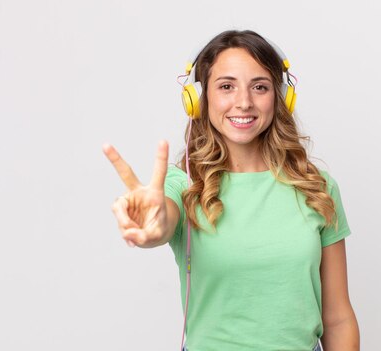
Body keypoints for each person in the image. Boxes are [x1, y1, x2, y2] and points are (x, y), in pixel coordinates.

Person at [102, 29, 360, 351]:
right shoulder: (184, 184)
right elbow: (162, 222)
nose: (244, 102)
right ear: (198, 99)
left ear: (280, 97)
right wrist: (151, 222)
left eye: (260, 87)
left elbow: (337, 317)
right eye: (226, 86)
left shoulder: (317, 188)